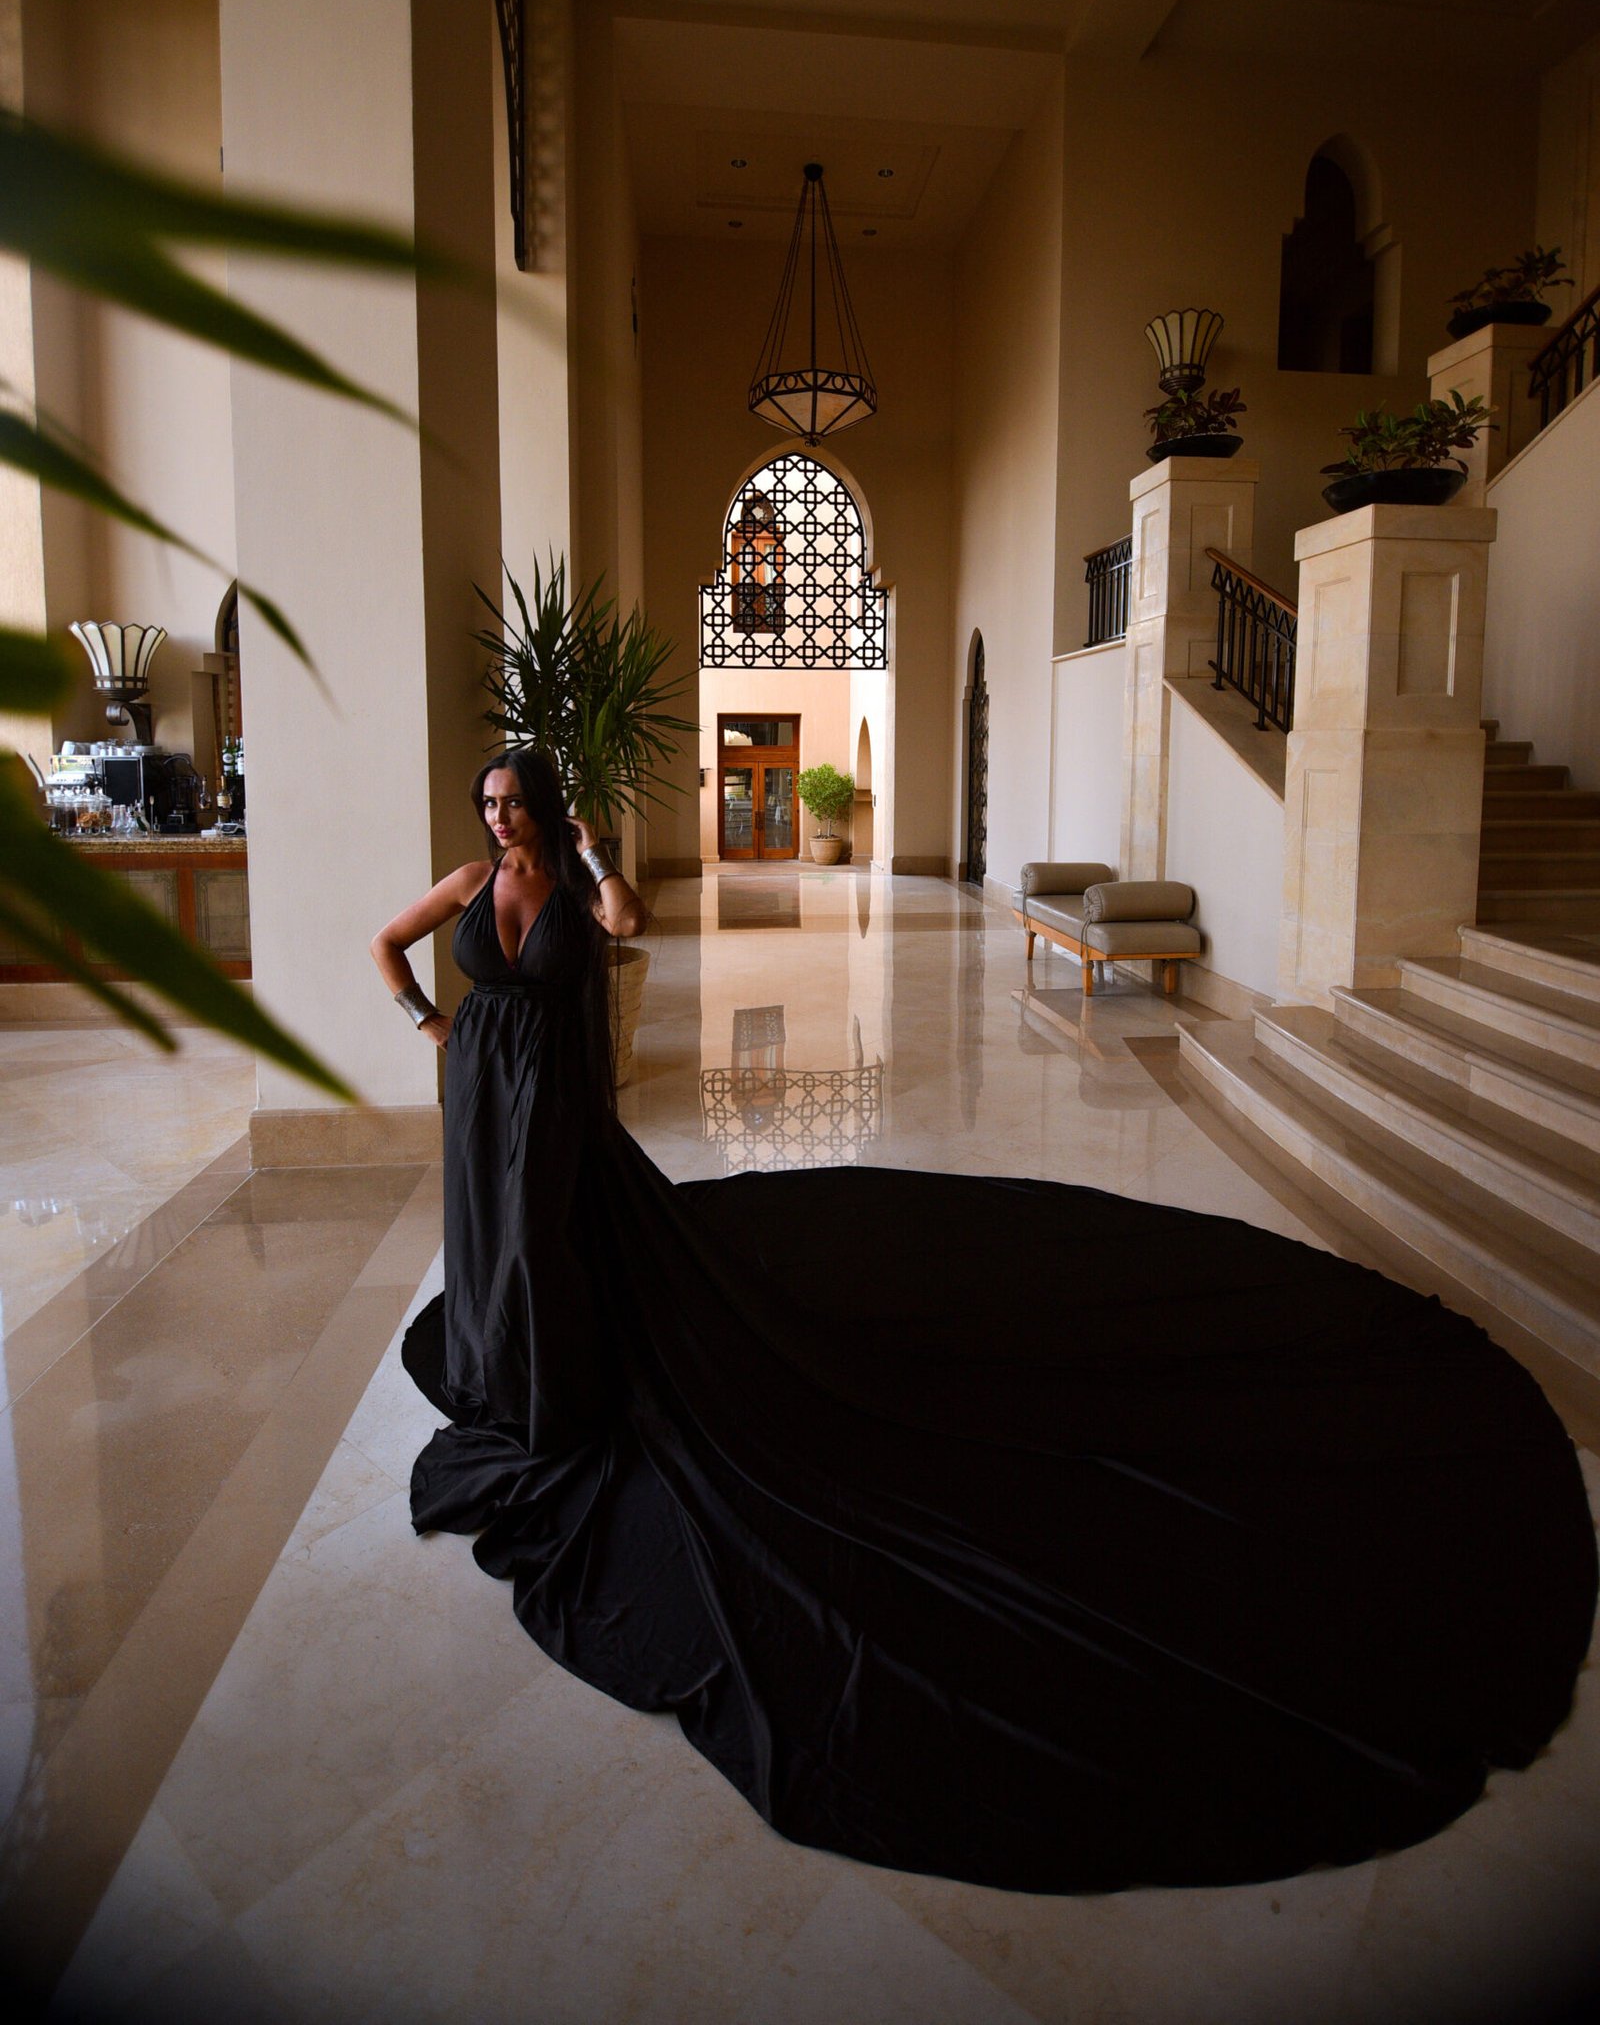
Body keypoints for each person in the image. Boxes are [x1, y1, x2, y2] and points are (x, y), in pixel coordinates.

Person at [371, 746, 1597, 1896]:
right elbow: (389, 943)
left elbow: (633, 926)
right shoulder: (471, 882)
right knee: (498, 1238)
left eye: (510, 802)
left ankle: (558, 1358)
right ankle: (514, 1361)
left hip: (558, 1099)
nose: (496, 820)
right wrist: (432, 1024)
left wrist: (589, 853)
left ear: (541, 800)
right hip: (485, 1084)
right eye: (488, 807)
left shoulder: (578, 884)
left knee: (564, 1233)